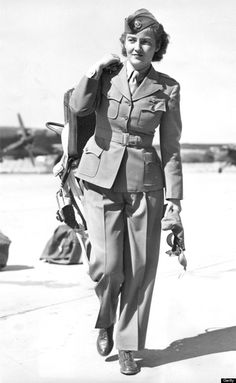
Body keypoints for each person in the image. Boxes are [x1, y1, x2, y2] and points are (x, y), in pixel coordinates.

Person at [69, 8, 183, 375]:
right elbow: (79, 107)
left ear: (157, 48)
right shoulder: (107, 77)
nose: (138, 46)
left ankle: (127, 345)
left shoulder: (168, 88)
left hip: (145, 185)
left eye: (146, 41)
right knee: (108, 267)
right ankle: (105, 320)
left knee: (141, 270)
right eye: (132, 40)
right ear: (124, 44)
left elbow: (172, 147)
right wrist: (93, 70)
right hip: (100, 179)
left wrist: (174, 202)